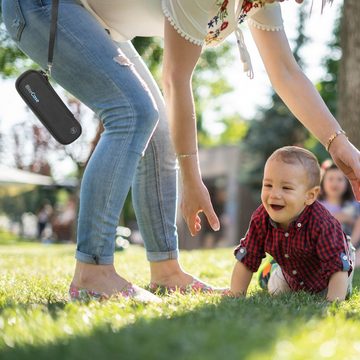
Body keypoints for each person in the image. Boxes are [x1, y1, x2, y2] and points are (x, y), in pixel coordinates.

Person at [3, 0, 360, 302]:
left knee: (156, 129)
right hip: (46, 8)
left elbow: (285, 71)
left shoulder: (260, 2)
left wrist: (339, 144)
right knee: (133, 111)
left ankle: (166, 270)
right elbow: (175, 77)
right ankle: (92, 274)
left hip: (93, 18)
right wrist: (191, 178)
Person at [230, 146, 355, 302]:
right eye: (268, 185)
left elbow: (337, 267)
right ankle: (271, 271)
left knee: (341, 291)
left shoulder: (323, 223)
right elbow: (247, 257)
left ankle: (274, 268)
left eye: (286, 188)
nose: (274, 195)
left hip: (329, 274)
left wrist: (333, 303)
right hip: (292, 274)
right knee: (277, 290)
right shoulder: (261, 218)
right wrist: (235, 295)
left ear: (310, 196)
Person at [319, 162, 360, 237]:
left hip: (349, 243)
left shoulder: (354, 205)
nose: (335, 183)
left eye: (340, 179)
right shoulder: (316, 205)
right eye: (331, 179)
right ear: (323, 181)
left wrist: (350, 220)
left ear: (347, 183)